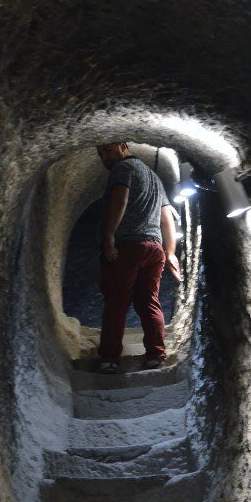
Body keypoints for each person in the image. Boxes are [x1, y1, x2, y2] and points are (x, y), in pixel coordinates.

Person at [94, 139, 182, 372]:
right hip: (154, 248)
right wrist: (170, 252)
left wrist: (109, 235)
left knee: (116, 302)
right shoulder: (154, 178)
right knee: (149, 302)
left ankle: (110, 358)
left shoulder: (123, 169)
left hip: (128, 245)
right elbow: (166, 216)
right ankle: (155, 355)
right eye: (100, 153)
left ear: (123, 146)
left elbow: (120, 198)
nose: (104, 156)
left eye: (107, 149)